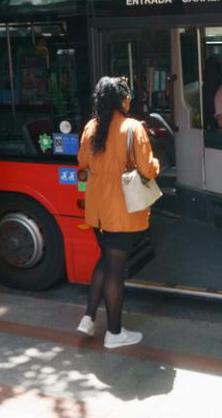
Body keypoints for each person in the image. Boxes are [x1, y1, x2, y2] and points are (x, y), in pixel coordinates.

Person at [76, 76, 160, 349]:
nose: (130, 101)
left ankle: (89, 317)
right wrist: (155, 159)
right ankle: (114, 333)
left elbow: (82, 161)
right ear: (120, 99)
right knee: (116, 272)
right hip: (121, 212)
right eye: (128, 97)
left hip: (98, 211)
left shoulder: (91, 127)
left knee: (106, 260)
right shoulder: (133, 128)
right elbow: (148, 170)